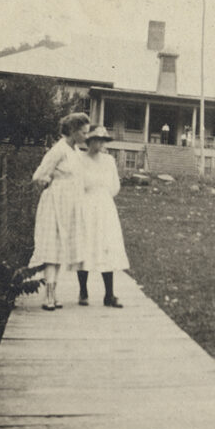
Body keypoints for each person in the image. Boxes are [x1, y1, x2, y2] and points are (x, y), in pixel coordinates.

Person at [29, 112, 90, 311]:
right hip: (55, 204)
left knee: (61, 249)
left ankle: (54, 293)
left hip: (70, 207)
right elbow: (38, 175)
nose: (86, 136)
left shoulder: (76, 152)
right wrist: (53, 182)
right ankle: (48, 295)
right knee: (51, 249)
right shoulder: (58, 150)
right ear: (73, 130)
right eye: (83, 132)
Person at [75, 126, 129, 307]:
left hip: (105, 207)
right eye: (96, 140)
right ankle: (83, 291)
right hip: (86, 205)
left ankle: (109, 295)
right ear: (89, 141)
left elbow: (115, 186)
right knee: (85, 245)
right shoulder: (80, 159)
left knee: (107, 246)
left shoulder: (109, 161)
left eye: (102, 141)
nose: (99, 144)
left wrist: (103, 197)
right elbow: (77, 183)